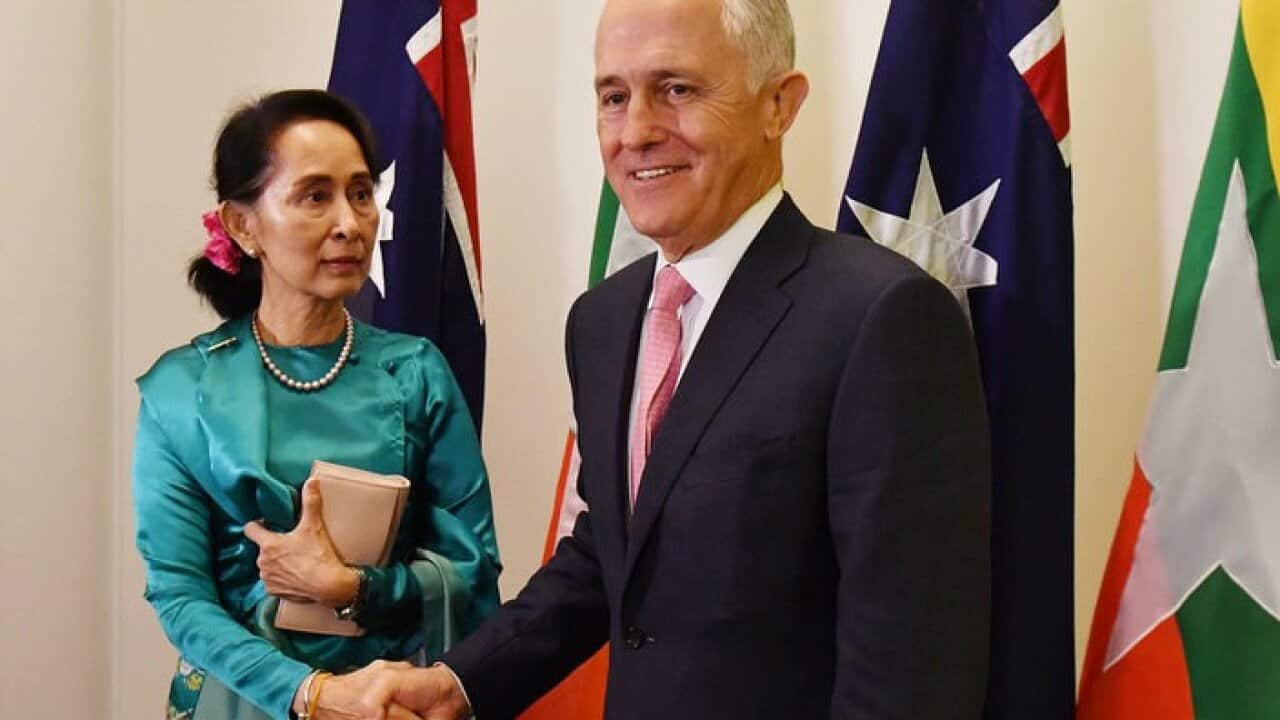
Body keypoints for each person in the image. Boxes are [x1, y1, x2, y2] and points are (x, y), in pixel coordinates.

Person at [359, 0, 992, 716]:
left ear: (778, 105)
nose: (637, 133)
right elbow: (613, 558)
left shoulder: (882, 316)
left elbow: (911, 666)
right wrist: (459, 681)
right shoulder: (601, 321)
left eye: (678, 90)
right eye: (614, 97)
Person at [132, 89, 501, 720]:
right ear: (243, 225)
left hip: (392, 699)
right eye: (314, 196)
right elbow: (180, 597)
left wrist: (354, 589)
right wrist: (313, 695)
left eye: (361, 193)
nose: (350, 223)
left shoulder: (415, 373)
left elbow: (474, 568)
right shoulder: (182, 391)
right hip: (240, 699)